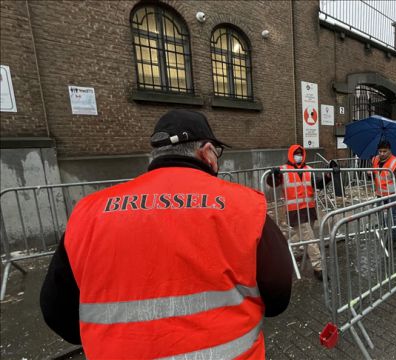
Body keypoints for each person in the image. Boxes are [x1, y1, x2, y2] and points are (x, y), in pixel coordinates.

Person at [40, 109, 293, 359]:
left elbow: (57, 311)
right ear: (206, 153)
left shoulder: (89, 212)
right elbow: (278, 295)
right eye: (217, 153)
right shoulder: (245, 206)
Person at [266, 145, 337, 281]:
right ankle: (319, 268)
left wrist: (328, 176)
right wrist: (273, 174)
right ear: (291, 155)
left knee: (303, 237)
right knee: (310, 239)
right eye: (296, 154)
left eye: (300, 153)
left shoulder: (309, 170)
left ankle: (281, 250)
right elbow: (272, 183)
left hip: (309, 210)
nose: (298, 156)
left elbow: (318, 185)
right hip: (295, 212)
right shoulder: (283, 170)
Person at [372, 140, 396, 239]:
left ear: (389, 151)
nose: (382, 154)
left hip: (392, 194)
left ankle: (394, 237)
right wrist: (369, 174)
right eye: (380, 151)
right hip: (380, 193)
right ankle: (384, 230)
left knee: (393, 216)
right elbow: (376, 175)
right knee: (379, 213)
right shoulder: (375, 160)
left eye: (384, 151)